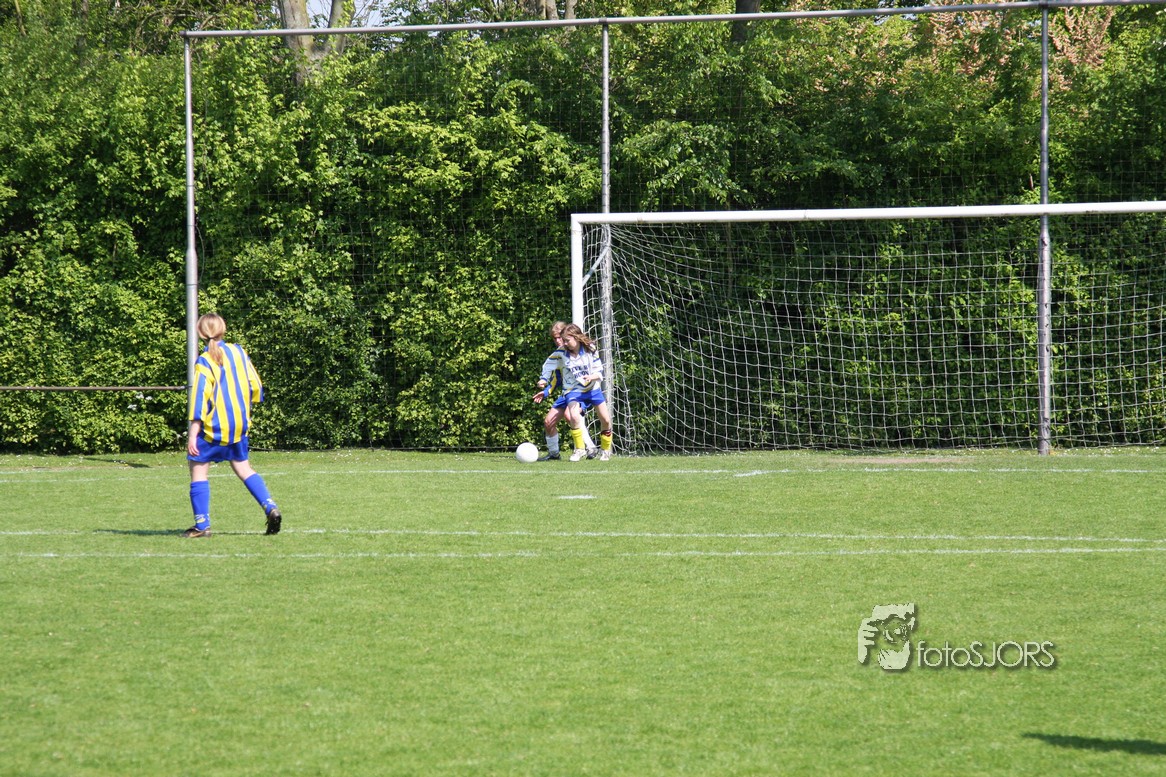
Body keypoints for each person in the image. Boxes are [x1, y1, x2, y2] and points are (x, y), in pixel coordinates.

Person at [184, 313, 281, 538]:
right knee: (243, 467)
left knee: (198, 469)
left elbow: (200, 397)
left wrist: (192, 434)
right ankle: (270, 506)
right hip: (238, 425)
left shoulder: (205, 360)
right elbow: (255, 385)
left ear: (200, 333)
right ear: (223, 330)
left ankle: (202, 525)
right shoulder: (239, 352)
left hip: (212, 429)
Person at [532, 321, 596, 461]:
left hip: (581, 392)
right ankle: (554, 454)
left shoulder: (579, 352)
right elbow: (556, 378)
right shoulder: (559, 355)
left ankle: (590, 447)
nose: (558, 341)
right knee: (548, 422)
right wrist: (546, 391)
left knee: (570, 415)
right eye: (555, 338)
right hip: (566, 394)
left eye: (560, 337)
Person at [559, 322, 614, 461]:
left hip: (593, 389)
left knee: (606, 420)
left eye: (567, 340)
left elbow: (599, 370)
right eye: (563, 340)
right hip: (574, 390)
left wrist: (591, 377)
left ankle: (605, 450)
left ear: (576, 337)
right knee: (573, 416)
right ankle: (579, 449)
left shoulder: (591, 348)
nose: (565, 343)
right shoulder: (562, 353)